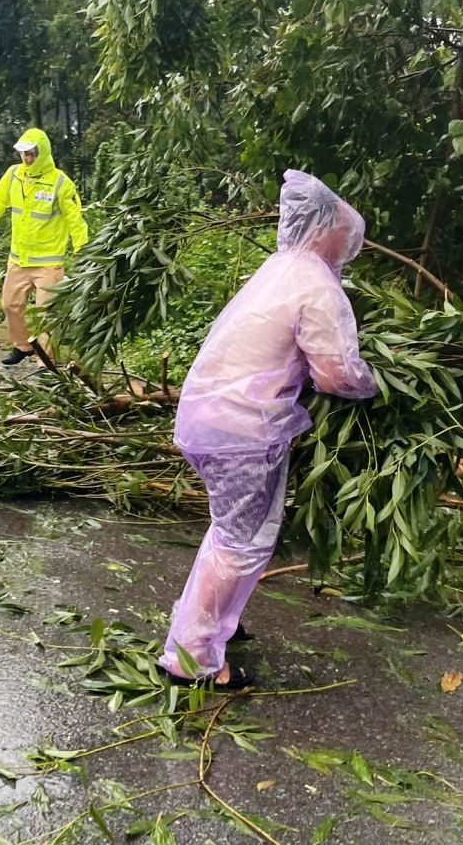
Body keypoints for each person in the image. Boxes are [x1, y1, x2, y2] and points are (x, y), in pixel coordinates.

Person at [159, 170, 379, 688]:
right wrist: (377, 385)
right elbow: (336, 374)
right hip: (242, 431)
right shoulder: (317, 285)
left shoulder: (278, 270)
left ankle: (207, 622)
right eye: (345, 238)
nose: (349, 249)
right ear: (325, 232)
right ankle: (192, 659)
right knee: (241, 542)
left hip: (207, 417)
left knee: (229, 532)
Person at [0, 127, 88, 366]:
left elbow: (75, 220)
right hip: (19, 257)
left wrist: (82, 250)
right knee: (10, 304)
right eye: (25, 154)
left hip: (48, 260)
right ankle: (23, 346)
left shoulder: (60, 183)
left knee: (46, 312)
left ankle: (45, 359)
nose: (28, 159)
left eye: (32, 154)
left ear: (43, 153)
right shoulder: (14, 175)